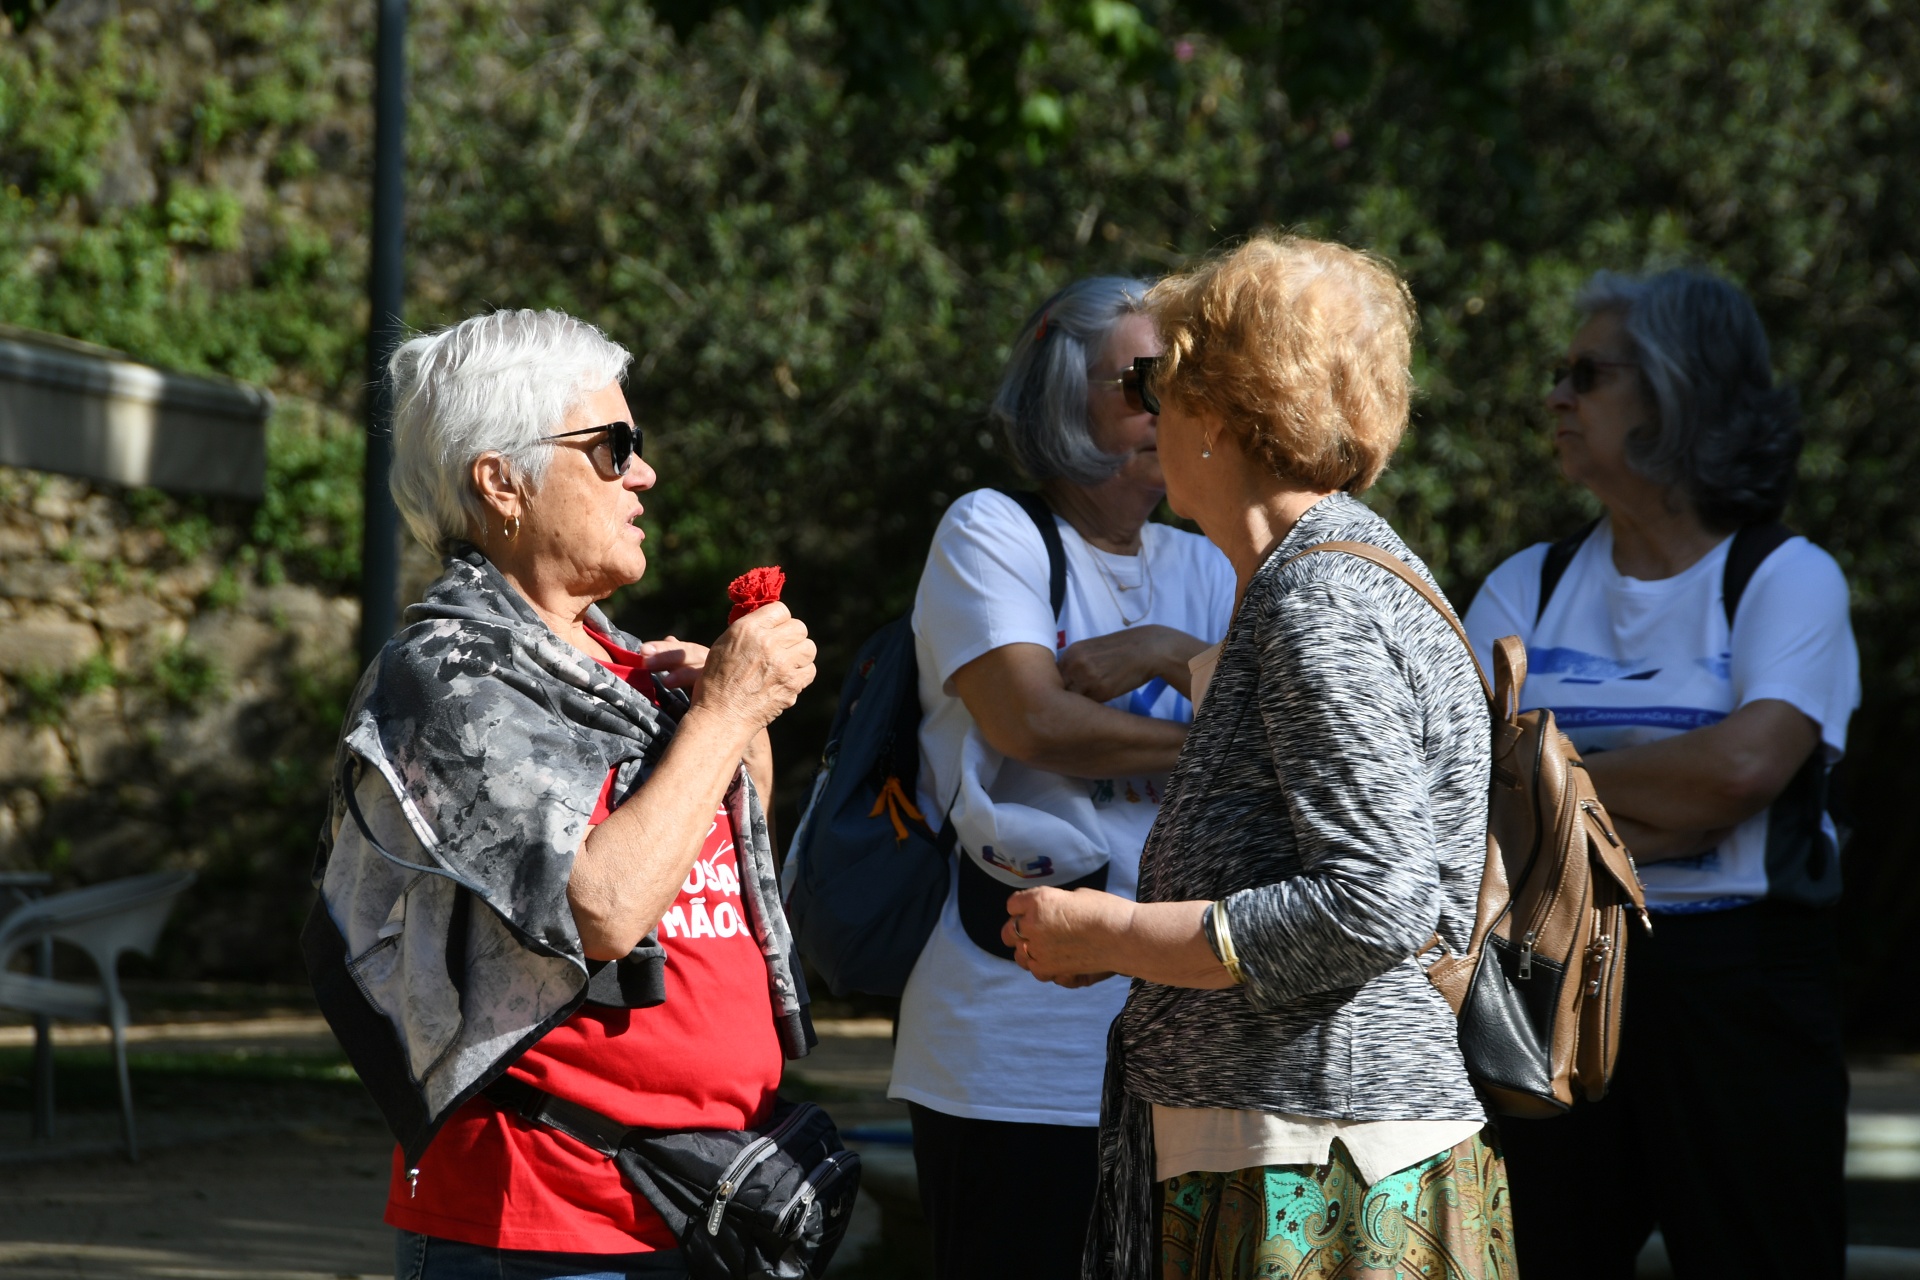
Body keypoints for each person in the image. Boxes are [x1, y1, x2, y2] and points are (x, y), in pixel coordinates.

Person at [1003, 234, 1515, 1280]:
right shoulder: (1342, 574)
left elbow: (1376, 899)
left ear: (1224, 415)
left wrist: (1116, 932)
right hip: (1317, 1150)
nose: (1148, 415)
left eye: (1162, 383)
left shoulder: (1316, 595)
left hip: (1314, 1175)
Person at [302, 309, 819, 1279]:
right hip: (539, 1222)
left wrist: (730, 722)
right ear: (499, 479)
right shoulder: (445, 675)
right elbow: (602, 906)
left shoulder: (621, 668)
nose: (644, 474)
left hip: (691, 1200)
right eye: (612, 447)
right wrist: (720, 715)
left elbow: (729, 865)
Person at [1462, 268, 1859, 1280]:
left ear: (1680, 393)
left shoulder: (1784, 576)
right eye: (1561, 373)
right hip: (1551, 979)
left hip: (1742, 996)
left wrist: (1550, 770)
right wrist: (1650, 799)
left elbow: (1741, 769)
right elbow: (1458, 779)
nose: (1557, 395)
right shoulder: (1527, 582)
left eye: (1586, 373)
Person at [887, 276, 1236, 1278]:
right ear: (1059, 393)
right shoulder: (990, 530)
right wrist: (1213, 736)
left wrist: (1169, 648)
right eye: (1145, 382)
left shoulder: (1205, 565)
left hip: (1181, 1041)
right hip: (1018, 1047)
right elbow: (1032, 719)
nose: (1172, 408)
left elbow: (1287, 735)